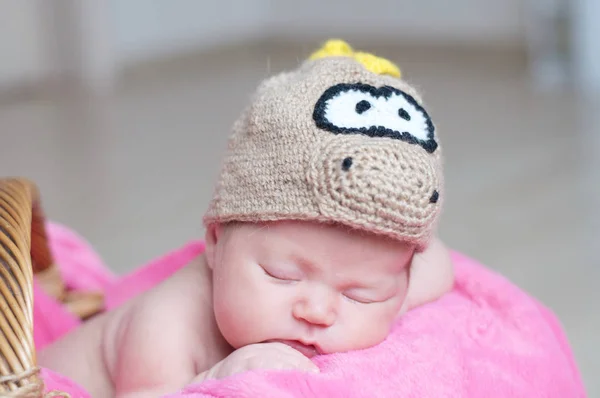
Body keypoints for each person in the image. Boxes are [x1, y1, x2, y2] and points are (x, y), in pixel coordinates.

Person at [38, 39, 455, 398]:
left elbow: (434, 265)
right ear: (216, 242)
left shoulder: (381, 279)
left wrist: (387, 293)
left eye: (360, 295)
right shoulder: (167, 325)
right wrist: (215, 379)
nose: (317, 310)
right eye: (283, 274)